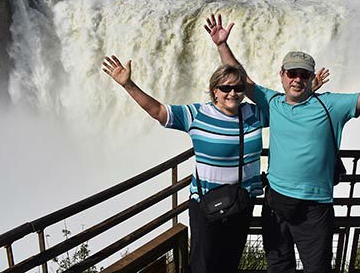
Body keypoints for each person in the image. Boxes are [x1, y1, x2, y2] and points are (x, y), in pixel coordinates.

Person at [204, 13, 360, 273]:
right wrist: (222, 44)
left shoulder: (331, 105)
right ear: (281, 75)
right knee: (278, 267)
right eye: (292, 73)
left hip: (314, 208)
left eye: (303, 75)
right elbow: (242, 80)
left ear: (311, 77)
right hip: (275, 204)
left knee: (318, 268)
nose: (297, 79)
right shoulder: (272, 102)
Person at [102, 55, 327, 272]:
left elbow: (286, 109)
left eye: (238, 88)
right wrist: (128, 84)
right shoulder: (197, 114)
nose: (233, 93)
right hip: (205, 205)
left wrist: (307, 91)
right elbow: (159, 111)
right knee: (202, 266)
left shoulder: (254, 114)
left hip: (241, 203)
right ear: (214, 91)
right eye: (225, 88)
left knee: (229, 263)